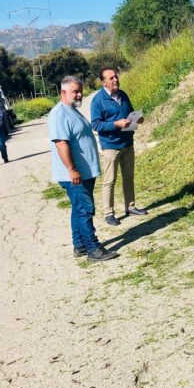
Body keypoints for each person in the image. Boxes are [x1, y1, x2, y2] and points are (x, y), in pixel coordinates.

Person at [48, 75, 118, 262]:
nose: (79, 95)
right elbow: (61, 144)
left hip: (83, 172)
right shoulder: (58, 114)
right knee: (85, 209)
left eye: (80, 91)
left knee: (78, 209)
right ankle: (93, 249)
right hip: (73, 175)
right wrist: (72, 169)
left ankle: (79, 246)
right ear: (63, 92)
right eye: (75, 91)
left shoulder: (71, 110)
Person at [90, 66, 147, 226]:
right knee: (110, 181)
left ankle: (131, 207)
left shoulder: (123, 95)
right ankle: (109, 213)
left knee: (129, 177)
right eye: (111, 78)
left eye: (116, 77)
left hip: (127, 143)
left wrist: (138, 119)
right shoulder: (98, 100)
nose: (115, 80)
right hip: (111, 147)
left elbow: (131, 113)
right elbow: (96, 124)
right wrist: (115, 124)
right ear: (103, 82)